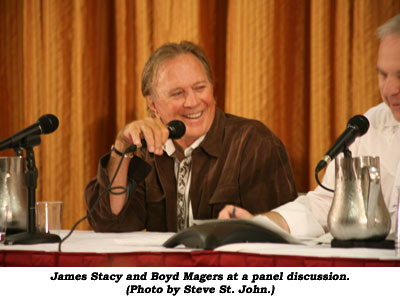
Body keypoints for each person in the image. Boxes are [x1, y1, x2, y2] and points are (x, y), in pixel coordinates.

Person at [85, 41, 297, 232]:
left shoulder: (254, 143)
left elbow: (275, 239)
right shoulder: (145, 149)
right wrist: (122, 147)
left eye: (200, 88)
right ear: (153, 104)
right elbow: (109, 223)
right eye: (178, 93)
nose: (192, 102)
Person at [219, 14, 400, 238]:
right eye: (382, 75)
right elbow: (325, 204)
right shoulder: (371, 123)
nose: (389, 89)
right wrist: (260, 225)